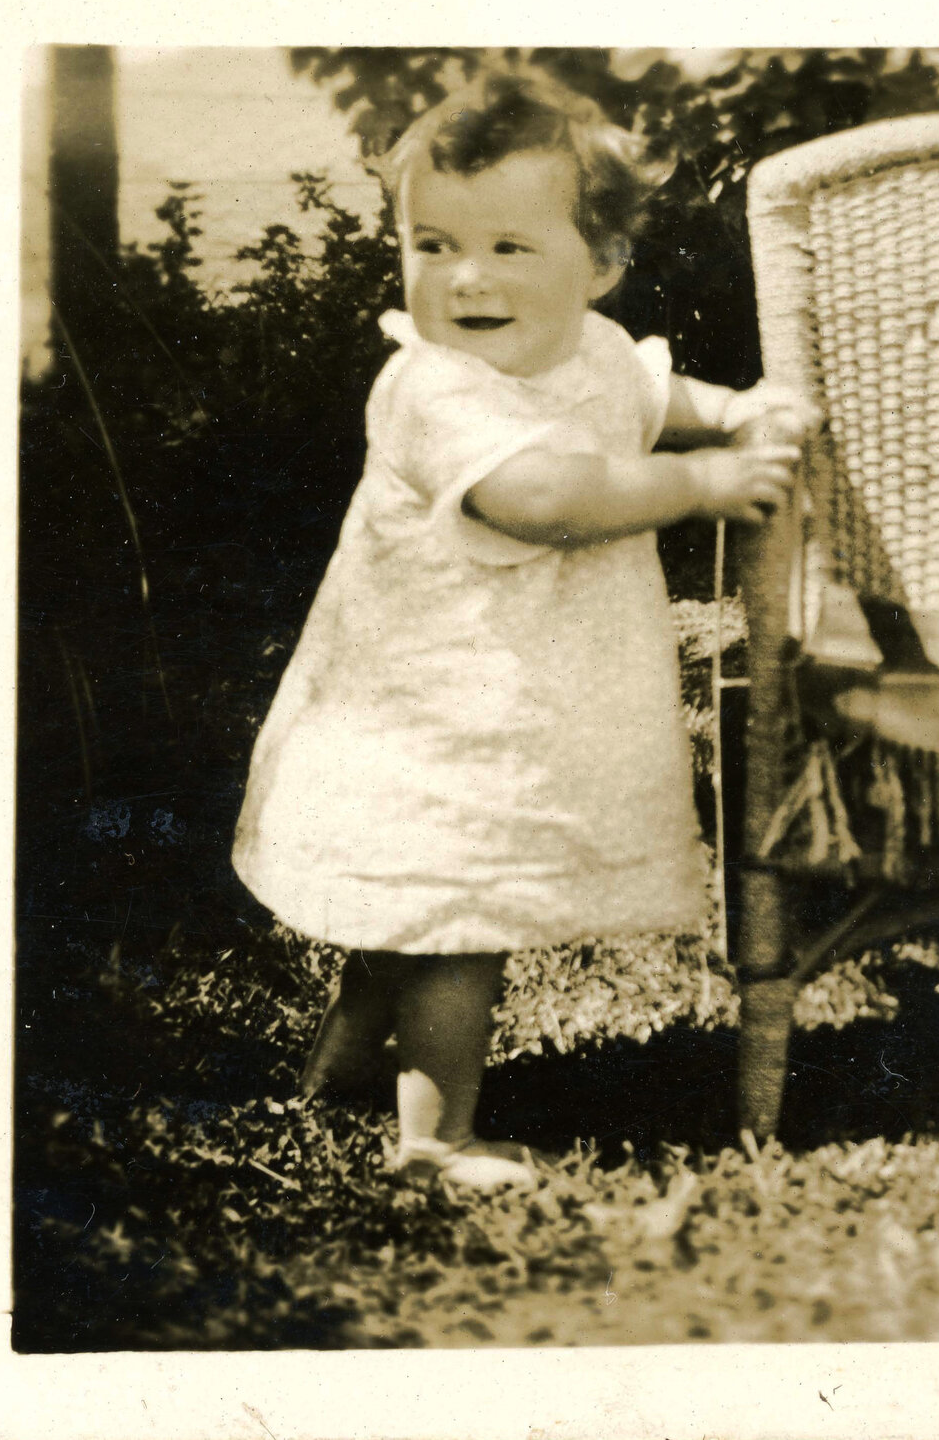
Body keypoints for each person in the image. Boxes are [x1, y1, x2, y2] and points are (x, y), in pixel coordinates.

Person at [231, 68, 814, 1191]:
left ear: (596, 266)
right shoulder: (433, 389)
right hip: (440, 707)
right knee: (459, 915)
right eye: (434, 243)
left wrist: (730, 410)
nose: (466, 277)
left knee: (413, 903)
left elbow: (649, 398)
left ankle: (345, 1062)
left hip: (520, 692)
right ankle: (435, 1139)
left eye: (509, 248)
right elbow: (543, 499)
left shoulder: (588, 346)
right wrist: (705, 486)